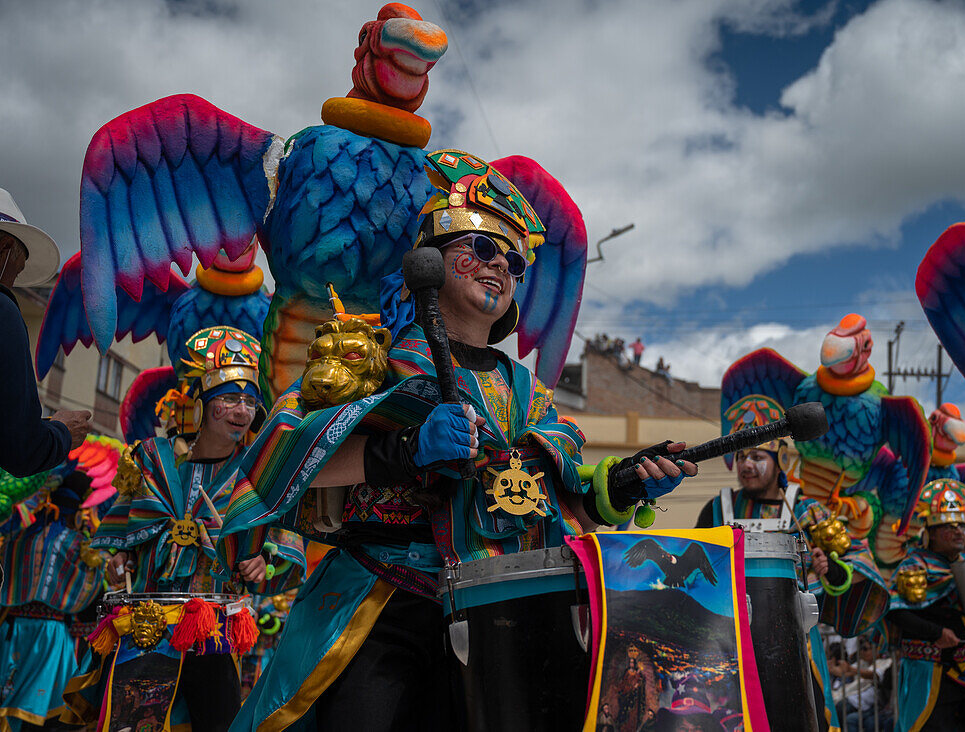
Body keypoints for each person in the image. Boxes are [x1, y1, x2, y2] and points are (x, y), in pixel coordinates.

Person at [217, 150, 696, 731]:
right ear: (429, 260)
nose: (500, 265)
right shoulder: (371, 358)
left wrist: (623, 485)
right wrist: (404, 451)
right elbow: (283, 460)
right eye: (482, 248)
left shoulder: (531, 396)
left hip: (498, 614)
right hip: (380, 602)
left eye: (514, 260)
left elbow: (554, 503)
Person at [70, 326, 304, 732]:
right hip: (145, 624)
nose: (242, 411)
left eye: (250, 401)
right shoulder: (152, 463)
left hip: (212, 629)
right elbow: (121, 537)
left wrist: (262, 563)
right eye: (230, 398)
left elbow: (280, 544)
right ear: (199, 404)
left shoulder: (256, 474)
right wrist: (119, 557)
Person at [696, 394, 890, 732]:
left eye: (758, 455)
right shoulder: (715, 509)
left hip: (796, 640)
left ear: (781, 460)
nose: (747, 464)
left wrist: (829, 567)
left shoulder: (806, 509)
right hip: (728, 640)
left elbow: (857, 559)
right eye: (741, 455)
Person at [887, 479, 965, 731]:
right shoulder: (914, 565)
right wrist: (935, 633)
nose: (958, 532)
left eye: (962, 527)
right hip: (928, 669)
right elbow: (895, 611)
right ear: (929, 533)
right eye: (949, 526)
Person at [0, 469, 107, 731]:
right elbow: (91, 592)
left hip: (11, 629)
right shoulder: (79, 544)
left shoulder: (18, 536)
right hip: (50, 634)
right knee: (46, 712)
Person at [0, 188, 90, 477]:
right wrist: (63, 431)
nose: (13, 280)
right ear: (3, 247)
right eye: (16, 267)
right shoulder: (3, 311)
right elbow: (22, 449)